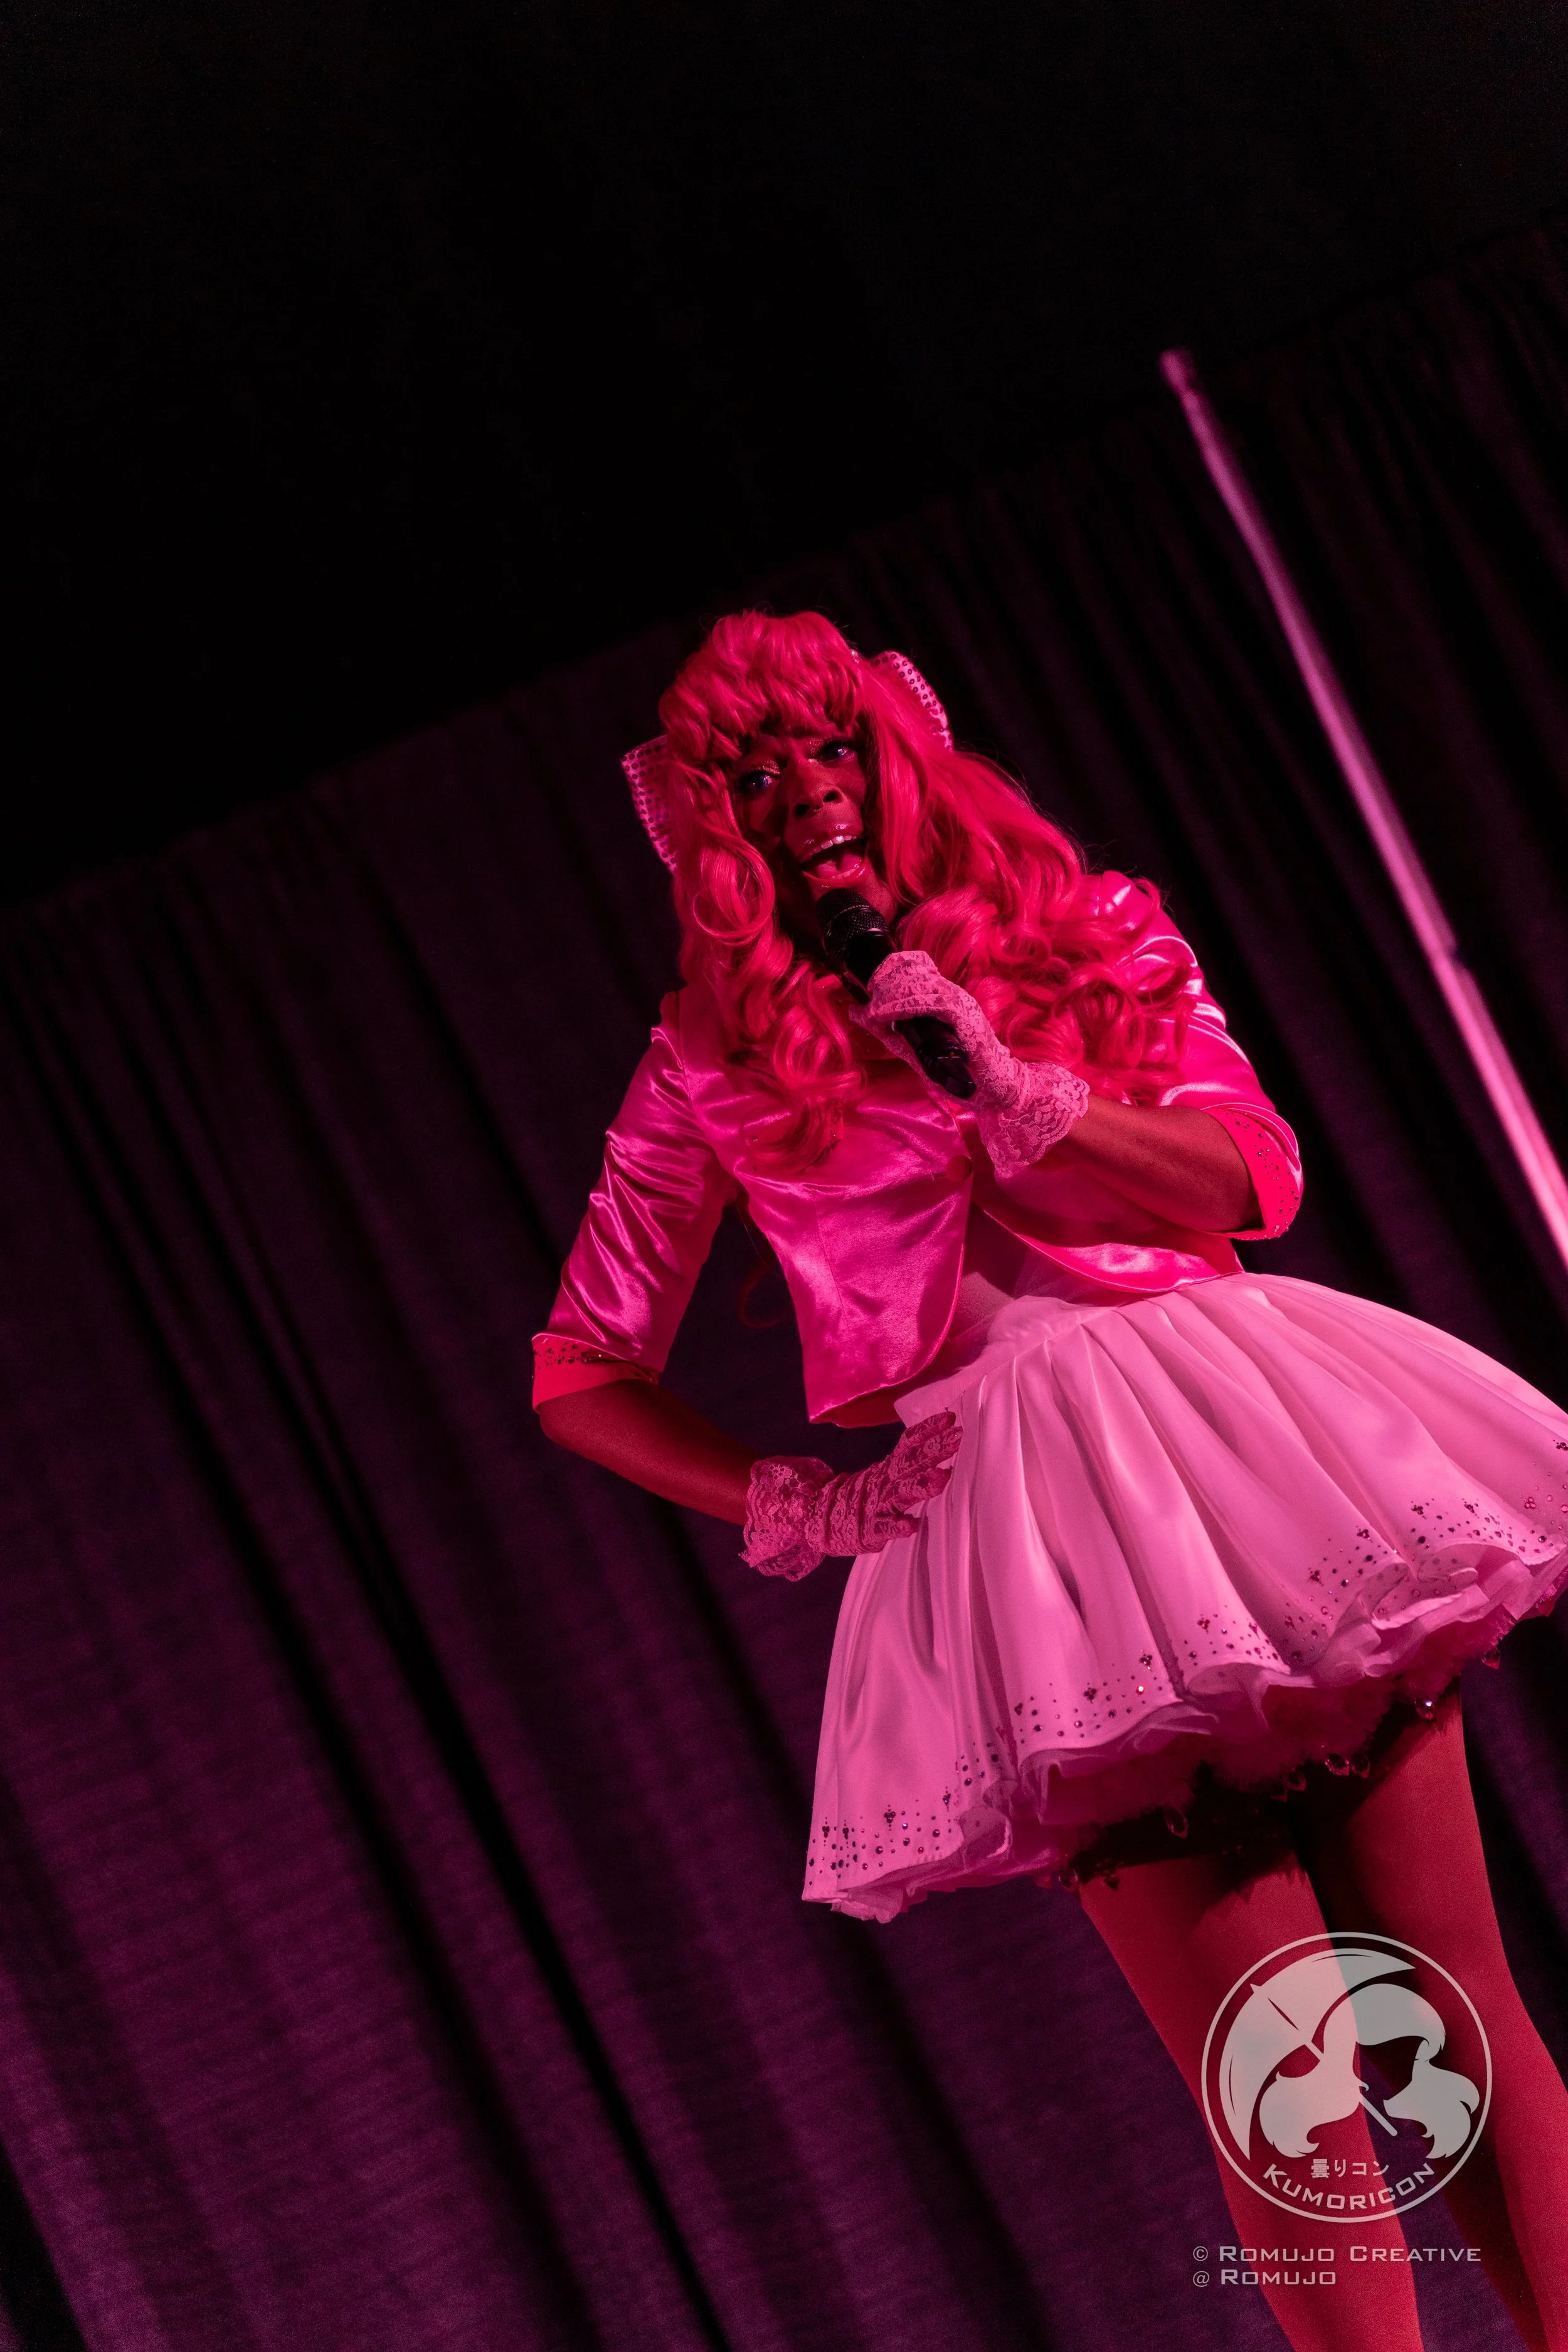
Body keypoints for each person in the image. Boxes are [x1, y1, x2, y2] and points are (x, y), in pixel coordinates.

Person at [534, 610, 1568, 2351]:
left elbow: (1251, 1176)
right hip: (1033, 1548)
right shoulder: (707, 1062)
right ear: (713, 824)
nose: (807, 792)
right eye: (757, 773)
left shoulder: (1087, 926)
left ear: (894, 748)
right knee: (1286, 2077)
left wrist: (1021, 1093)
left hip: (1247, 1471)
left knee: (1458, 2014)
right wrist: (799, 1500)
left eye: (829, 747)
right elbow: (579, 1371)